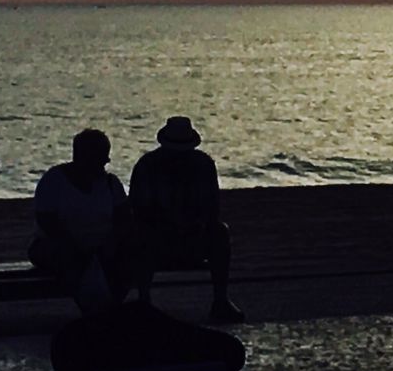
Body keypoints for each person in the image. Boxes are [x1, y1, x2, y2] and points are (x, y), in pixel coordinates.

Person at [129, 115, 244, 323]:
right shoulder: (148, 166)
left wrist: (196, 224)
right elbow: (139, 209)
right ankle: (144, 300)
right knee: (141, 233)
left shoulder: (204, 164)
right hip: (157, 236)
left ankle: (220, 300)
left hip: (194, 236)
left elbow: (212, 206)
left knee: (219, 232)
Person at [29, 128, 134, 314]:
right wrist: (76, 244)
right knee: (73, 261)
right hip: (58, 246)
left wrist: (111, 241)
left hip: (102, 246)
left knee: (125, 260)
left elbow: (124, 219)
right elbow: (47, 221)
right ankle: (93, 310)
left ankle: (109, 308)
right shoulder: (54, 180)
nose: (103, 165)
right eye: (100, 159)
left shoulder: (111, 183)